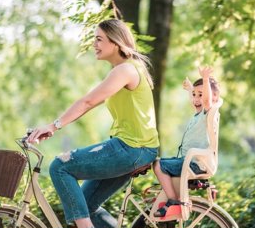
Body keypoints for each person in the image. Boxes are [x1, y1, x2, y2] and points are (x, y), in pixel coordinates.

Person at [27, 19, 159, 228]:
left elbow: (88, 102)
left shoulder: (125, 70)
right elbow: (88, 103)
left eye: (99, 39)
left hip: (132, 147)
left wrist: (53, 126)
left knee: (60, 166)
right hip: (136, 149)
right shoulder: (129, 68)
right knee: (86, 205)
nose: (93, 44)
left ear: (115, 42)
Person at [152, 66, 220, 217]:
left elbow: (206, 100)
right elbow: (195, 101)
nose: (196, 99)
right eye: (195, 95)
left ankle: (172, 200)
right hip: (190, 161)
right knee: (158, 161)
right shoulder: (199, 114)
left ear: (213, 98)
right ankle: (172, 196)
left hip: (195, 164)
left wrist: (205, 78)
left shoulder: (208, 113)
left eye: (200, 95)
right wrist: (191, 89)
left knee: (157, 165)